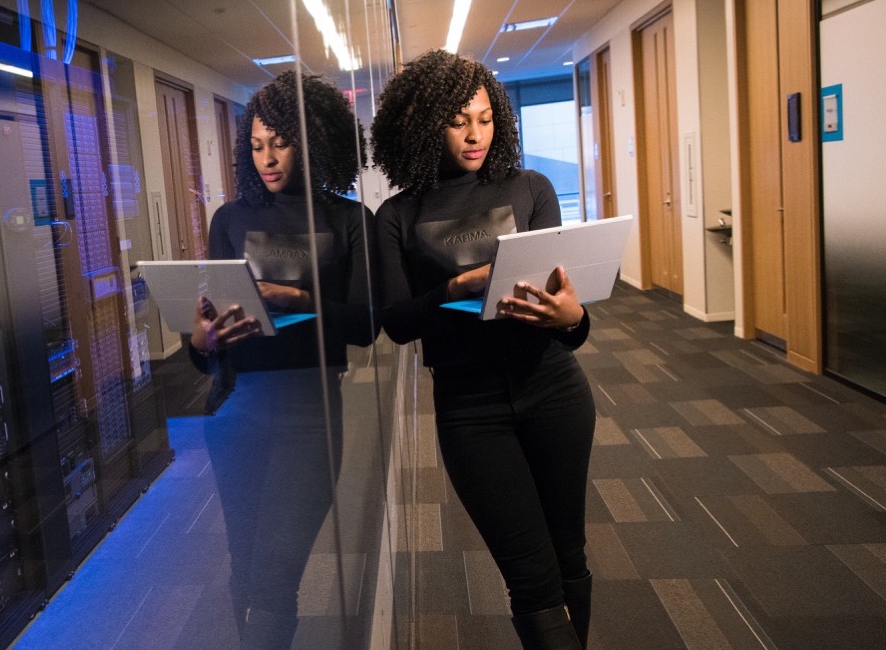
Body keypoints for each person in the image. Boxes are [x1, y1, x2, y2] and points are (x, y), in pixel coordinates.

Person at [369, 50, 596, 650]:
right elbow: (394, 322)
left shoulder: (530, 188)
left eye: (486, 117)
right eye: (458, 120)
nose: (475, 134)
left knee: (568, 551)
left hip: (554, 389)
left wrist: (574, 318)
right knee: (529, 574)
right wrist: (454, 288)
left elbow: (568, 319)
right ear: (422, 124)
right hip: (470, 410)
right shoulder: (396, 215)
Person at [186, 70, 373, 648]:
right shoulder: (229, 220)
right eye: (258, 145)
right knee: (245, 561)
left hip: (309, 412)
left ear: (311, 141)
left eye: (281, 143)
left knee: (275, 572)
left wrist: (301, 301)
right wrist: (202, 341)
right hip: (236, 409)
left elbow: (366, 326)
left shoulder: (348, 221)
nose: (268, 158)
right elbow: (206, 353)